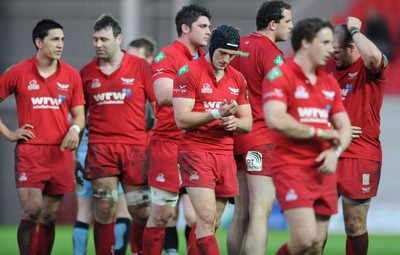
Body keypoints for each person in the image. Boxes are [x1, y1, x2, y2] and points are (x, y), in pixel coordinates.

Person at [262, 18, 352, 255]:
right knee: (303, 239)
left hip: (324, 169)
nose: (331, 49)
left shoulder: (329, 83)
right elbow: (276, 119)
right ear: (305, 43)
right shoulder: (279, 76)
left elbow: (344, 126)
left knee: (315, 247)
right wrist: (319, 132)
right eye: (324, 43)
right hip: (292, 167)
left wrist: (336, 152)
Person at [0, 19, 85, 254]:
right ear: (39, 42)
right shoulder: (17, 72)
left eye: (63, 40)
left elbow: (79, 116)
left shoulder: (71, 75)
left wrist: (74, 130)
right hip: (30, 152)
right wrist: (9, 134)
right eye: (54, 39)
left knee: (48, 217)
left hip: (60, 154)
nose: (60, 45)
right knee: (32, 210)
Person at [173, 24, 252, 254]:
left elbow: (248, 122)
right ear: (211, 47)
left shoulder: (238, 79)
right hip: (195, 152)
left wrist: (235, 123)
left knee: (211, 224)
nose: (226, 59)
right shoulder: (188, 72)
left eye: (231, 55)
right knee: (206, 218)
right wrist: (218, 114)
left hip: (225, 155)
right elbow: (182, 120)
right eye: (222, 53)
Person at [80, 14, 155, 254]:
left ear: (118, 39)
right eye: (95, 39)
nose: (98, 44)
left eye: (104, 39)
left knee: (141, 211)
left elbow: (158, 107)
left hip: (135, 149)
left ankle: (139, 250)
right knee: (104, 209)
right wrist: (72, 150)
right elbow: (79, 115)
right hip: (101, 148)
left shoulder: (140, 66)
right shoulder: (86, 73)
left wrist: (159, 140)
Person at [142, 4, 211, 255]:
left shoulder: (206, 58)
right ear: (185, 28)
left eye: (209, 27)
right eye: (202, 26)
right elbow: (162, 95)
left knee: (203, 217)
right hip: (170, 143)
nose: (208, 31)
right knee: (162, 215)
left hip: (201, 144)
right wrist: (204, 94)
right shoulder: (167, 56)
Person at [228, 1, 292, 254]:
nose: (291, 27)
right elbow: (281, 99)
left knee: (241, 212)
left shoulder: (238, 47)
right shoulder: (273, 54)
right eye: (287, 21)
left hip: (235, 137)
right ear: (272, 23)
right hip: (261, 140)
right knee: (259, 212)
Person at [326, 16, 388, 255]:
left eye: (337, 51)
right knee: (316, 222)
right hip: (328, 152)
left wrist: (354, 30)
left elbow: (372, 56)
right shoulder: (326, 69)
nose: (333, 56)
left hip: (360, 155)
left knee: (354, 225)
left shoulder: (369, 70)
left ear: (352, 46)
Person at [72, 127, 132, 255]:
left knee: (83, 213)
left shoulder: (81, 107)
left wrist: (74, 156)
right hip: (112, 151)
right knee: (122, 212)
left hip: (83, 151)